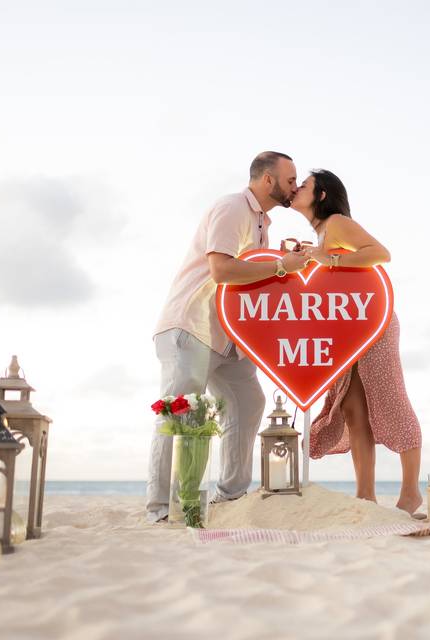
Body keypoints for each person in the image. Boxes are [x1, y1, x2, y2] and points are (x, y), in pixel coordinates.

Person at [146, 151, 308, 523]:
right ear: (267, 180)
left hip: (228, 337)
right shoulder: (233, 208)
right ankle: (159, 509)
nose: (294, 186)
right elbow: (222, 270)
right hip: (190, 325)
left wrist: (287, 265)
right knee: (177, 412)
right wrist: (282, 265)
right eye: (289, 179)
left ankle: (230, 496)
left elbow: (253, 277)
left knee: (249, 401)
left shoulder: (264, 223)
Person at [291, 169, 424, 517]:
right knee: (352, 409)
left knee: (391, 399)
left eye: (302, 185)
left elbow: (380, 253)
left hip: (373, 324)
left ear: (320, 195)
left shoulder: (336, 222)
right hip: (346, 330)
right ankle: (366, 496)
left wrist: (329, 258)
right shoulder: (322, 233)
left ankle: (410, 494)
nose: (295, 189)